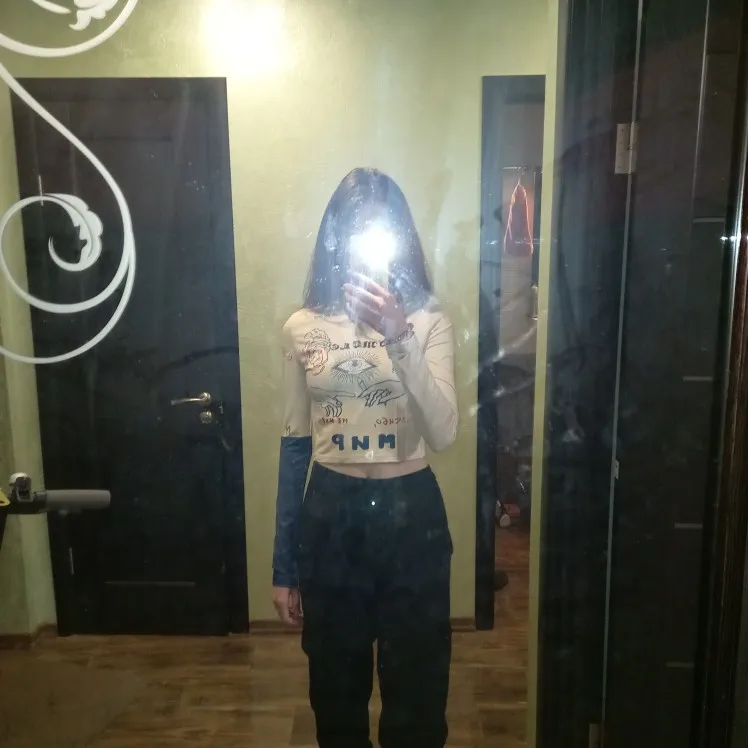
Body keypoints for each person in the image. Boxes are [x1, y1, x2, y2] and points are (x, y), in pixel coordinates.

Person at [271, 167, 459, 748]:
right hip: (331, 513)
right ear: (333, 238)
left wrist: (398, 334)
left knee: (418, 691)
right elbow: (294, 444)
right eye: (352, 232)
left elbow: (444, 432)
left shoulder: (428, 320)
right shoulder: (302, 327)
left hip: (412, 513)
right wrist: (283, 567)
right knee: (335, 692)